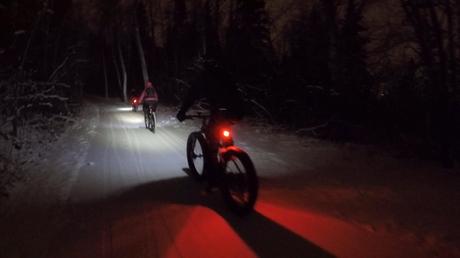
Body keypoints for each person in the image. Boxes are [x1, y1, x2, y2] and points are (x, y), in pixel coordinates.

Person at [176, 58, 246, 190]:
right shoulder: (225, 74)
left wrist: (182, 112)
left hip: (221, 112)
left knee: (212, 137)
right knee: (224, 129)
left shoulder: (204, 78)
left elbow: (191, 96)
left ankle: (214, 175)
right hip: (237, 110)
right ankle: (228, 153)